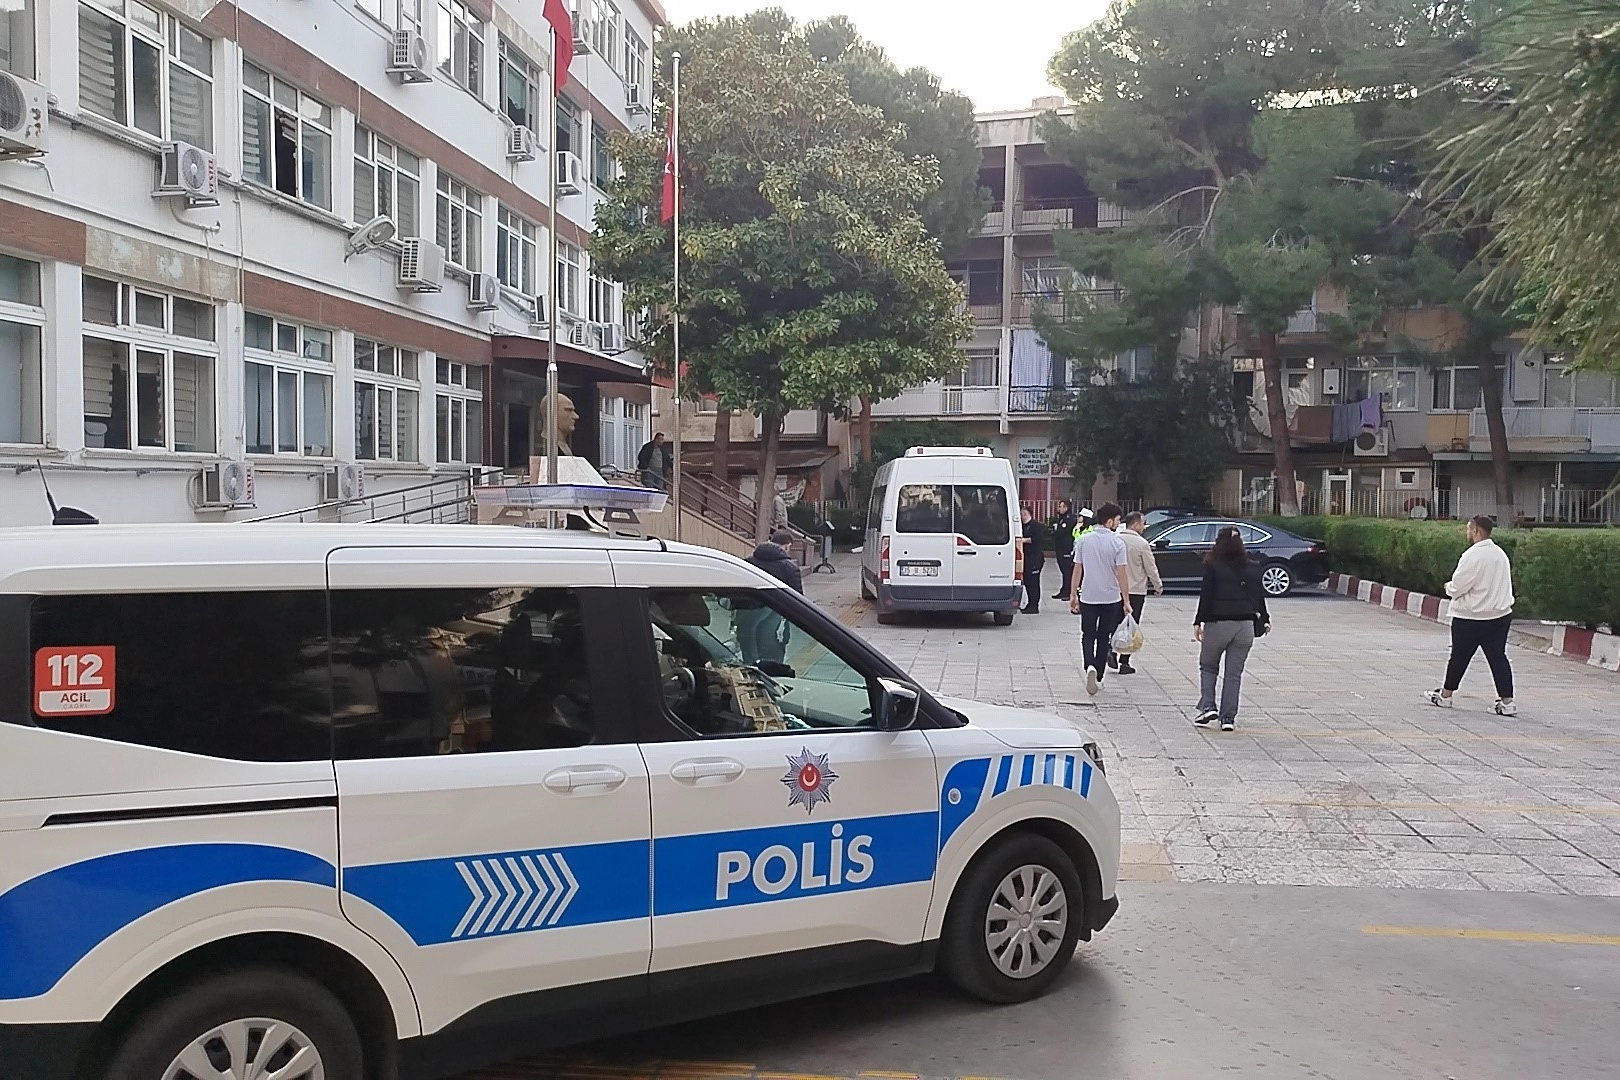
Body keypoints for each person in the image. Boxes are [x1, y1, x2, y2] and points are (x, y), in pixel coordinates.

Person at [1425, 515, 1516, 715]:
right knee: (1498, 658)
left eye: (1468, 529)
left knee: (1459, 657)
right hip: (1499, 615)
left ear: (1475, 530)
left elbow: (1458, 586)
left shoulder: (1472, 556)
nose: (1467, 533)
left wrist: (1448, 587)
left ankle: (1446, 695)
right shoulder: (1500, 555)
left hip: (1470, 617)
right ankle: (1507, 701)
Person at [1192, 526, 1269, 731]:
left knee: (1208, 666)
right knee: (1234, 674)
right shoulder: (1252, 567)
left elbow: (1206, 596)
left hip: (1218, 623)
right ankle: (1228, 718)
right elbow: (1258, 597)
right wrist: (1265, 619)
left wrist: (1198, 621)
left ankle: (1208, 706)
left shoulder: (1213, 566)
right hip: (1245, 626)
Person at [1068, 503, 1131, 695]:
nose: (1118, 524)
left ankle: (1089, 665)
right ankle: (1099, 676)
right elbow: (1122, 574)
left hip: (1088, 595)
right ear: (1110, 521)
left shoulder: (1084, 540)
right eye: (1117, 520)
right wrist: (1126, 600)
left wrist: (1073, 594)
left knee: (1088, 634)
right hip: (1110, 597)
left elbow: (1077, 568)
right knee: (1104, 637)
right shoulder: (1118, 543)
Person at [738, 530, 803, 665]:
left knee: (749, 651)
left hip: (745, 616)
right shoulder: (789, 568)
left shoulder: (746, 564)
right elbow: (797, 600)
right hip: (776, 620)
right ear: (786, 546)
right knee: (772, 655)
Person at [1115, 511, 1164, 675]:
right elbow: (1150, 568)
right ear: (1135, 524)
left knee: (1116, 622)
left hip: (1116, 589)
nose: (1144, 527)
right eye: (1143, 523)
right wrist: (1158, 585)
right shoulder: (1142, 544)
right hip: (1135, 590)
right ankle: (1124, 661)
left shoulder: (1116, 540)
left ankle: (1111, 650)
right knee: (1131, 625)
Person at [1019, 505, 1046, 614]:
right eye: (1021, 514)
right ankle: (1030, 604)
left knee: (1034, 583)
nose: (1023, 516)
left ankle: (1034, 606)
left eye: (1024, 514)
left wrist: (1024, 540)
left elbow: (1037, 539)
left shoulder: (1036, 526)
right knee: (1027, 582)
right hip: (1026, 558)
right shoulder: (1021, 526)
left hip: (1035, 558)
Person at [1051, 499, 1078, 600]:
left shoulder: (1069, 519)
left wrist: (1056, 530)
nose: (1059, 509)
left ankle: (1068, 592)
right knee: (1063, 571)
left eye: (1062, 506)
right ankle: (1064, 590)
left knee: (1067, 571)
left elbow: (1063, 532)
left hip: (1066, 548)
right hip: (1060, 548)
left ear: (1066, 508)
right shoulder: (1061, 518)